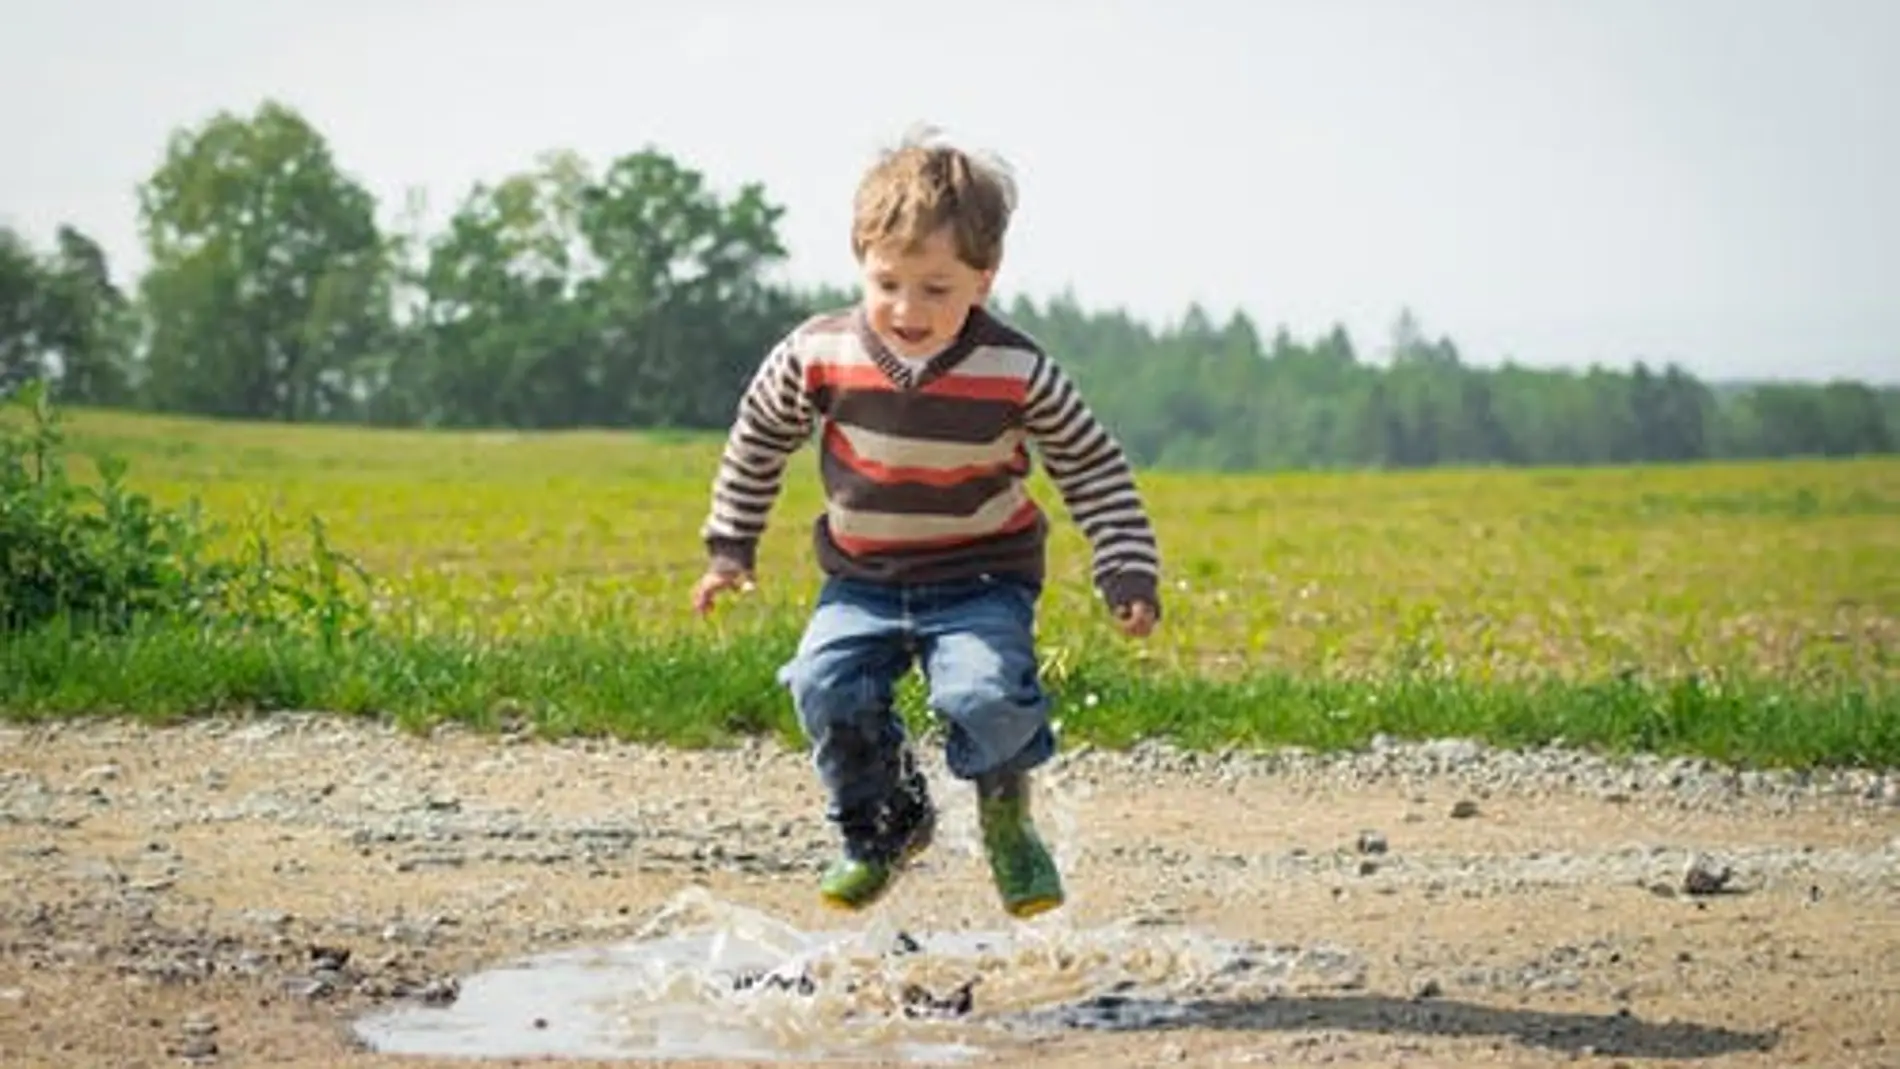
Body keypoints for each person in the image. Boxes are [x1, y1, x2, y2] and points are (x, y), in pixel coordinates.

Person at [692, 126, 1162, 919]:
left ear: (985, 277)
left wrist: (1125, 568)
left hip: (981, 580)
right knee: (823, 684)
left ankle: (1006, 813)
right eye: (889, 282)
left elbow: (1092, 466)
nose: (908, 309)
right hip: (861, 579)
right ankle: (884, 821)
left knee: (983, 695)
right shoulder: (819, 352)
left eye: (937, 288)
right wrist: (730, 546)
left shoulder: (1019, 370)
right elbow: (759, 437)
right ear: (861, 261)